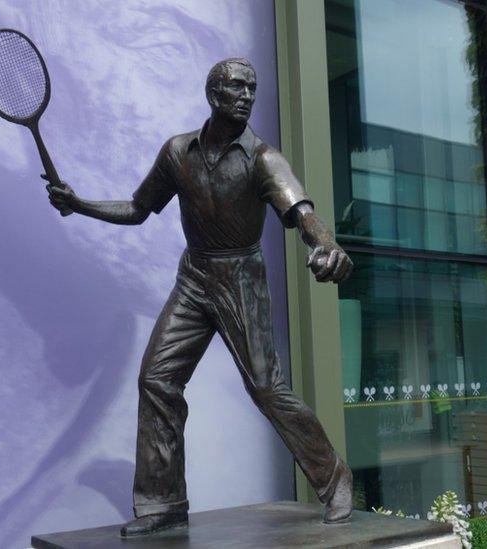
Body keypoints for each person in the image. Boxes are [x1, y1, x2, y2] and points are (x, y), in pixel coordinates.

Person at [44, 58, 354, 538]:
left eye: (252, 87)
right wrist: (79, 203)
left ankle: (334, 478)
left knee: (267, 388)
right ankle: (162, 503)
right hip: (194, 277)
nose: (247, 95)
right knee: (157, 380)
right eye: (236, 86)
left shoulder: (263, 159)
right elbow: (137, 208)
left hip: (241, 278)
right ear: (213, 94)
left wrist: (326, 245)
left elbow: (301, 212)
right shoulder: (176, 153)